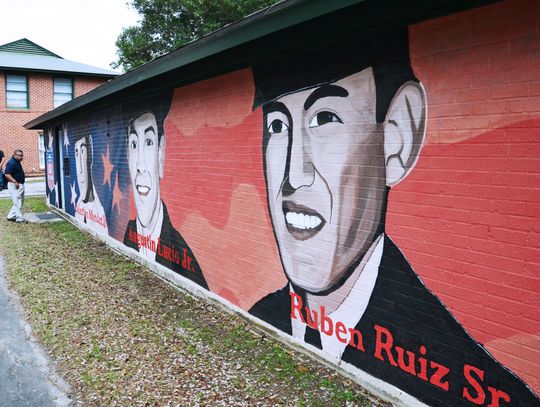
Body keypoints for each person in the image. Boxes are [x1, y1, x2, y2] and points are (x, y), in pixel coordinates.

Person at [249, 29, 538, 406]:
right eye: (277, 125)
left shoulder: (469, 374)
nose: (294, 174)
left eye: (325, 118)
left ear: (397, 140)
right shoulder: (262, 315)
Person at [122, 92, 208, 290]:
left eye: (149, 142)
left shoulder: (184, 262)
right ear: (127, 157)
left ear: (161, 155)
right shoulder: (130, 232)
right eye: (134, 145)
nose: (140, 166)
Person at [73, 135, 108, 233]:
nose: (80, 169)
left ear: (90, 157)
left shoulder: (100, 213)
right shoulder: (78, 209)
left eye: (83, 152)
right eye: (76, 154)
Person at [4, 149, 26, 223]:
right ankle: (19, 218)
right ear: (15, 155)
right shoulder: (11, 162)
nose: (22, 157)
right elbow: (7, 174)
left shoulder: (17, 162)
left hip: (19, 184)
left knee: (20, 201)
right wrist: (15, 181)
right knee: (17, 201)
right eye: (20, 156)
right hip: (14, 185)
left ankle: (10, 216)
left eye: (22, 155)